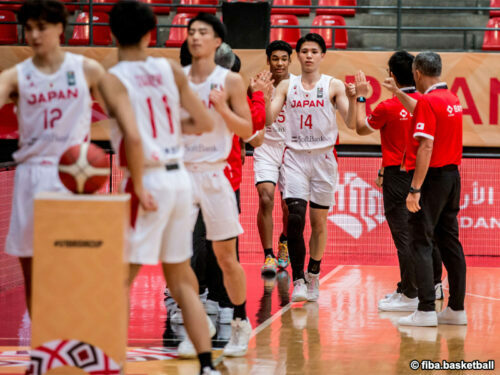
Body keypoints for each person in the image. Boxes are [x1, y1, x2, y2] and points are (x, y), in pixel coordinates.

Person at [101, 3, 219, 374]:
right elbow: (201, 121)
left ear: (111, 34)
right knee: (181, 277)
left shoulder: (112, 77)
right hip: (179, 177)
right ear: (152, 32)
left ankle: (109, 362)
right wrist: (167, 128)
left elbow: (133, 136)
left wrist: (136, 181)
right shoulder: (168, 68)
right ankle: (207, 365)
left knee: (121, 276)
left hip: (148, 177)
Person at [0, 0, 108, 314]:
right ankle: (44, 350)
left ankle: (74, 338)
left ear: (60, 28)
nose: (35, 34)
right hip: (31, 174)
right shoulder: (16, 76)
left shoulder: (85, 69)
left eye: (42, 27)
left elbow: (124, 110)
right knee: (34, 278)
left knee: (72, 269)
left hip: (74, 173)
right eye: (29, 27)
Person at [182, 12, 253, 356]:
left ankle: (240, 321)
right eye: (191, 32)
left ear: (216, 42)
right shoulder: (176, 79)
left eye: (203, 33)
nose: (195, 37)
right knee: (183, 256)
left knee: (226, 257)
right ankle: (196, 320)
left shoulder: (232, 81)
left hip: (214, 174)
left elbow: (246, 131)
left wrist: (223, 110)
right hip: (180, 174)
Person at [350, 51, 444, 312]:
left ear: (391, 75)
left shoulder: (388, 107)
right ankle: (428, 284)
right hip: (425, 174)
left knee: (403, 234)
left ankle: (410, 294)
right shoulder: (426, 102)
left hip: (398, 177)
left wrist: (360, 97)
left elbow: (359, 127)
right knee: (427, 231)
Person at [266, 33, 355, 302]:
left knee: (318, 223)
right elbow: (268, 120)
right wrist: (262, 97)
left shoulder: (333, 85)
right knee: (294, 219)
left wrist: (357, 99)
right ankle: (298, 280)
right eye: (304, 51)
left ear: (322, 55)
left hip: (324, 159)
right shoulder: (286, 86)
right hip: (294, 158)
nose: (308, 55)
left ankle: (313, 272)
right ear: (299, 55)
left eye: (314, 51)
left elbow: (351, 123)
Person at [397, 51, 467, 327]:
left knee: (421, 241)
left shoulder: (427, 101)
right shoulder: (452, 99)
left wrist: (415, 188)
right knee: (450, 241)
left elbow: (426, 146)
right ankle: (456, 309)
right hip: (452, 176)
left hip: (433, 179)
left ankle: (426, 310)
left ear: (416, 73)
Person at [253, 40, 294, 277]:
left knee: (289, 205)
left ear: (290, 60)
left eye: (284, 58)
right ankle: (268, 255)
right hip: (266, 147)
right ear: (268, 60)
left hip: (291, 150)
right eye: (275, 59)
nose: (279, 63)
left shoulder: (298, 85)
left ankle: (284, 241)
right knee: (266, 198)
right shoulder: (258, 84)